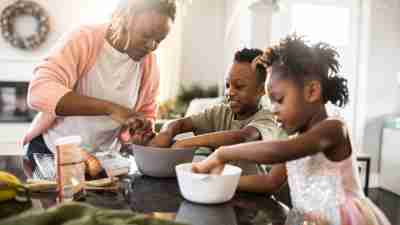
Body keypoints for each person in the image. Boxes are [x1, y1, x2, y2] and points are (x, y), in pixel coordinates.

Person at [193, 35, 391, 225]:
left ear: (312, 91)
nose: (273, 109)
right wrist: (221, 181)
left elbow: (277, 151)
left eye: (279, 100)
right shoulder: (297, 138)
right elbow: (270, 181)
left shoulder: (333, 129)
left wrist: (222, 153)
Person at [22, 0, 177, 172]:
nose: (151, 46)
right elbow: (39, 90)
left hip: (104, 162)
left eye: (159, 40)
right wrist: (110, 109)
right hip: (52, 154)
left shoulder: (149, 64)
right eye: (146, 35)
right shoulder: (83, 38)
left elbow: (146, 113)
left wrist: (137, 134)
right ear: (124, 18)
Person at [149, 48, 285, 179]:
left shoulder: (268, 118)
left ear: (262, 90)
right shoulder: (220, 112)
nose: (230, 92)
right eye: (227, 85)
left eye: (239, 86)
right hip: (217, 186)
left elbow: (243, 137)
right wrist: (167, 132)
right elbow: (180, 124)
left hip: (250, 194)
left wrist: (186, 143)